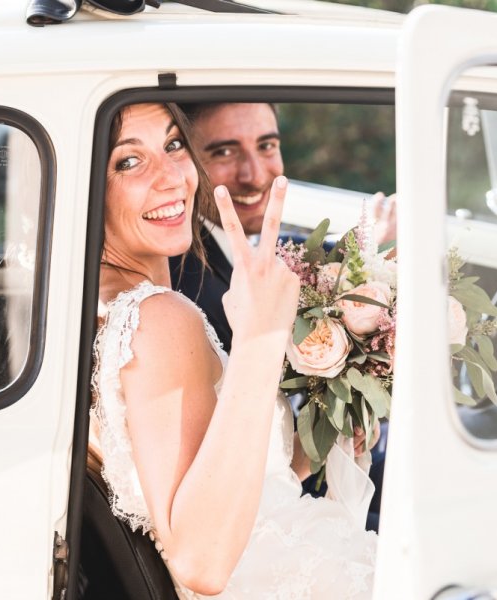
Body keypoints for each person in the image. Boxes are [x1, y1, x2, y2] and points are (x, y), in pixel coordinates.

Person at [88, 102, 377, 599]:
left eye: (174, 145)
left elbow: (228, 485)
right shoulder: (158, 319)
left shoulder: (104, 306)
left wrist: (329, 425)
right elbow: (201, 561)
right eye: (129, 161)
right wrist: (261, 335)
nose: (174, 177)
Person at [171, 102, 391, 529]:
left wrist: (373, 260)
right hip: (267, 501)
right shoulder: (184, 278)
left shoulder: (266, 244)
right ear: (190, 164)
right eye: (224, 152)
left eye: (266, 145)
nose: (254, 175)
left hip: (317, 456)